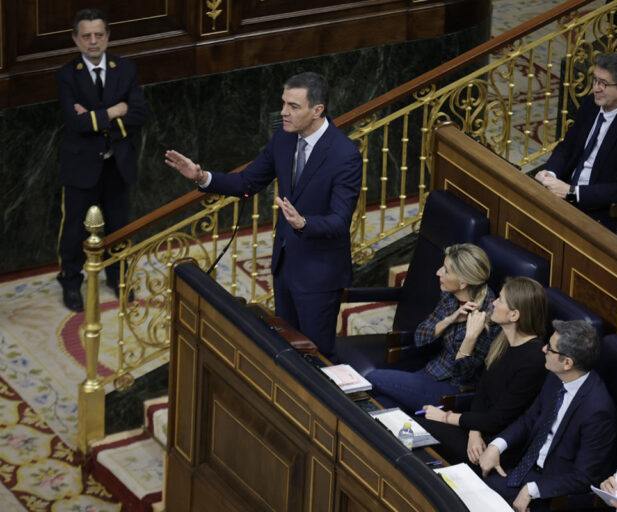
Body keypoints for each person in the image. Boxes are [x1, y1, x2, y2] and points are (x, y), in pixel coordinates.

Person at [165, 72, 362, 359]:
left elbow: (340, 220)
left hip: (319, 276)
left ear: (317, 110)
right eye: (283, 103)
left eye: (293, 106)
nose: (283, 112)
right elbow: (247, 182)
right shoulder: (284, 138)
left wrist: (304, 223)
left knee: (316, 359)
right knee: (285, 353)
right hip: (285, 266)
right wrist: (202, 176)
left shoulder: (344, 155)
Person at [57, 8, 147, 311]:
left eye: (98, 35)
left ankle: (118, 277)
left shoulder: (126, 69)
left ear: (107, 37)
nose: (93, 41)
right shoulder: (67, 75)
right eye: (86, 36)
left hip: (116, 165)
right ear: (76, 39)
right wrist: (113, 112)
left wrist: (96, 118)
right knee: (74, 229)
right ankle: (70, 281)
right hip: (81, 167)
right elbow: (75, 123)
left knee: (119, 226)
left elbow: (138, 114)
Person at [478, 320, 617, 511]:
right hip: (522, 467)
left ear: (567, 363)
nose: (543, 349)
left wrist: (533, 489)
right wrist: (496, 446)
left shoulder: (598, 410)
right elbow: (530, 419)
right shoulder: (555, 377)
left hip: (551, 491)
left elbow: (585, 476)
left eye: (550, 349)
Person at [416, 277, 548, 466]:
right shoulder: (502, 341)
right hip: (478, 430)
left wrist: (446, 417)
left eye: (500, 300)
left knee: (416, 430)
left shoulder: (534, 360)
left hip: (495, 446)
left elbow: (498, 420)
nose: (493, 302)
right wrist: (473, 431)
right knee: (412, 427)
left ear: (514, 315)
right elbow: (482, 392)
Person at [365, 244, 500, 412]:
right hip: (432, 372)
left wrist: (470, 338)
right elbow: (420, 337)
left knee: (373, 378)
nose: (438, 272)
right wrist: (449, 319)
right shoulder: (450, 295)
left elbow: (462, 376)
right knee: (379, 405)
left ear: (463, 282)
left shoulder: (488, 316)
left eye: (446, 271)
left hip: (453, 393)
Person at [535, 52, 617, 231]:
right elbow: (567, 146)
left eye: (604, 84)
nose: (595, 88)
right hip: (565, 188)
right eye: (595, 80)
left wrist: (572, 193)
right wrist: (550, 173)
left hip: (597, 210)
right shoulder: (592, 104)